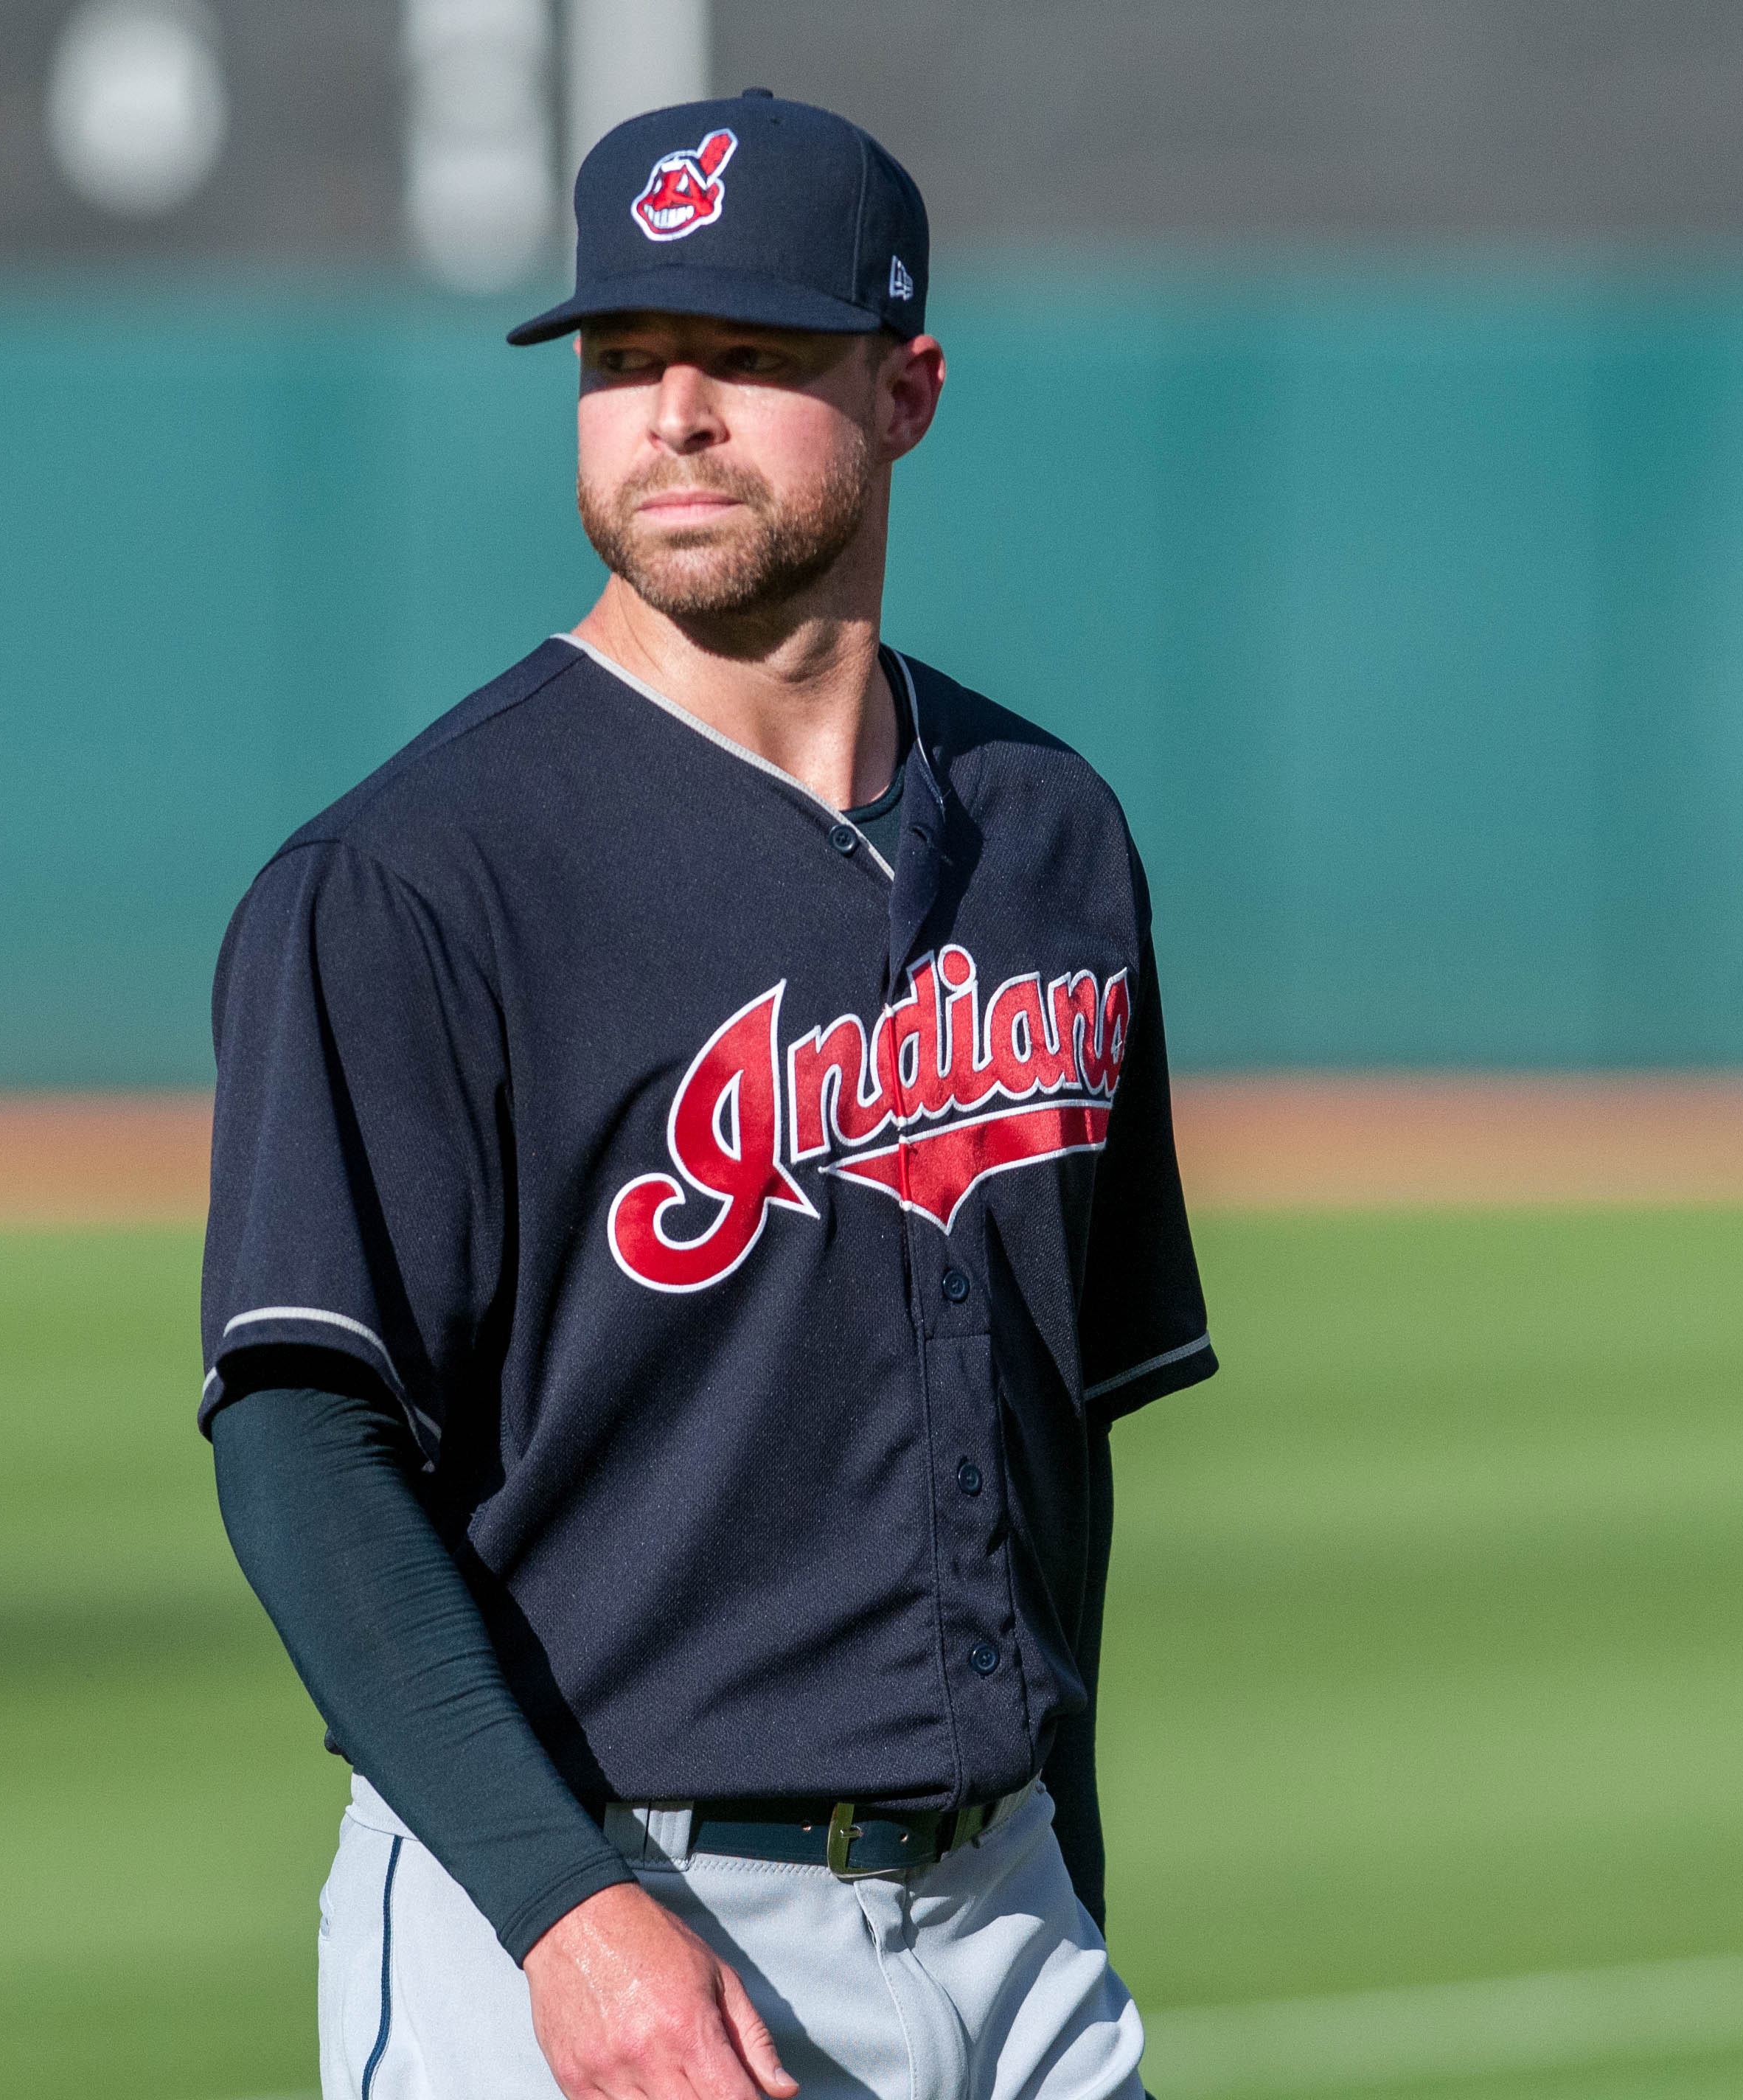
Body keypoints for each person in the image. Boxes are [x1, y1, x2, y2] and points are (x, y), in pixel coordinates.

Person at [201, 90, 1214, 2100]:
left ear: (907, 388)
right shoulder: (412, 880)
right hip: (591, 1912)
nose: (671, 410)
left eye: (745, 357)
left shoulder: (1048, 838)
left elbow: (1040, 1440)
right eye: (617, 360)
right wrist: (565, 1919)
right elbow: (307, 1448)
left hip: (1003, 1918)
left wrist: (1064, 1861)